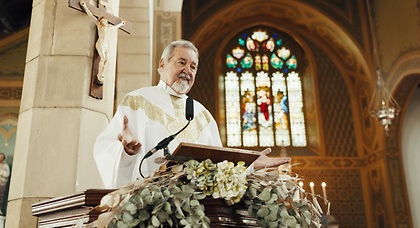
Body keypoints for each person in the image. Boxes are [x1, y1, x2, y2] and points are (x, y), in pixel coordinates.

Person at [94, 40, 291, 188]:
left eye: (193, 66)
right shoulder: (136, 101)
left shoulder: (202, 115)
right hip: (147, 201)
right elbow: (105, 150)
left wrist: (249, 165)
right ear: (163, 64)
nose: (187, 70)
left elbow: (218, 164)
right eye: (182, 62)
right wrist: (126, 152)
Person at [80, 0, 125, 85]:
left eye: (105, 21)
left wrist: (121, 24)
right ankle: (98, 76)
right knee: (103, 58)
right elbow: (91, 15)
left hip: (106, 46)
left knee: (107, 60)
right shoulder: (99, 26)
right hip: (100, 44)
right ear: (100, 21)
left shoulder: (108, 28)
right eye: (102, 21)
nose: (104, 22)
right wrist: (85, 6)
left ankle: (102, 74)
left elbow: (115, 27)